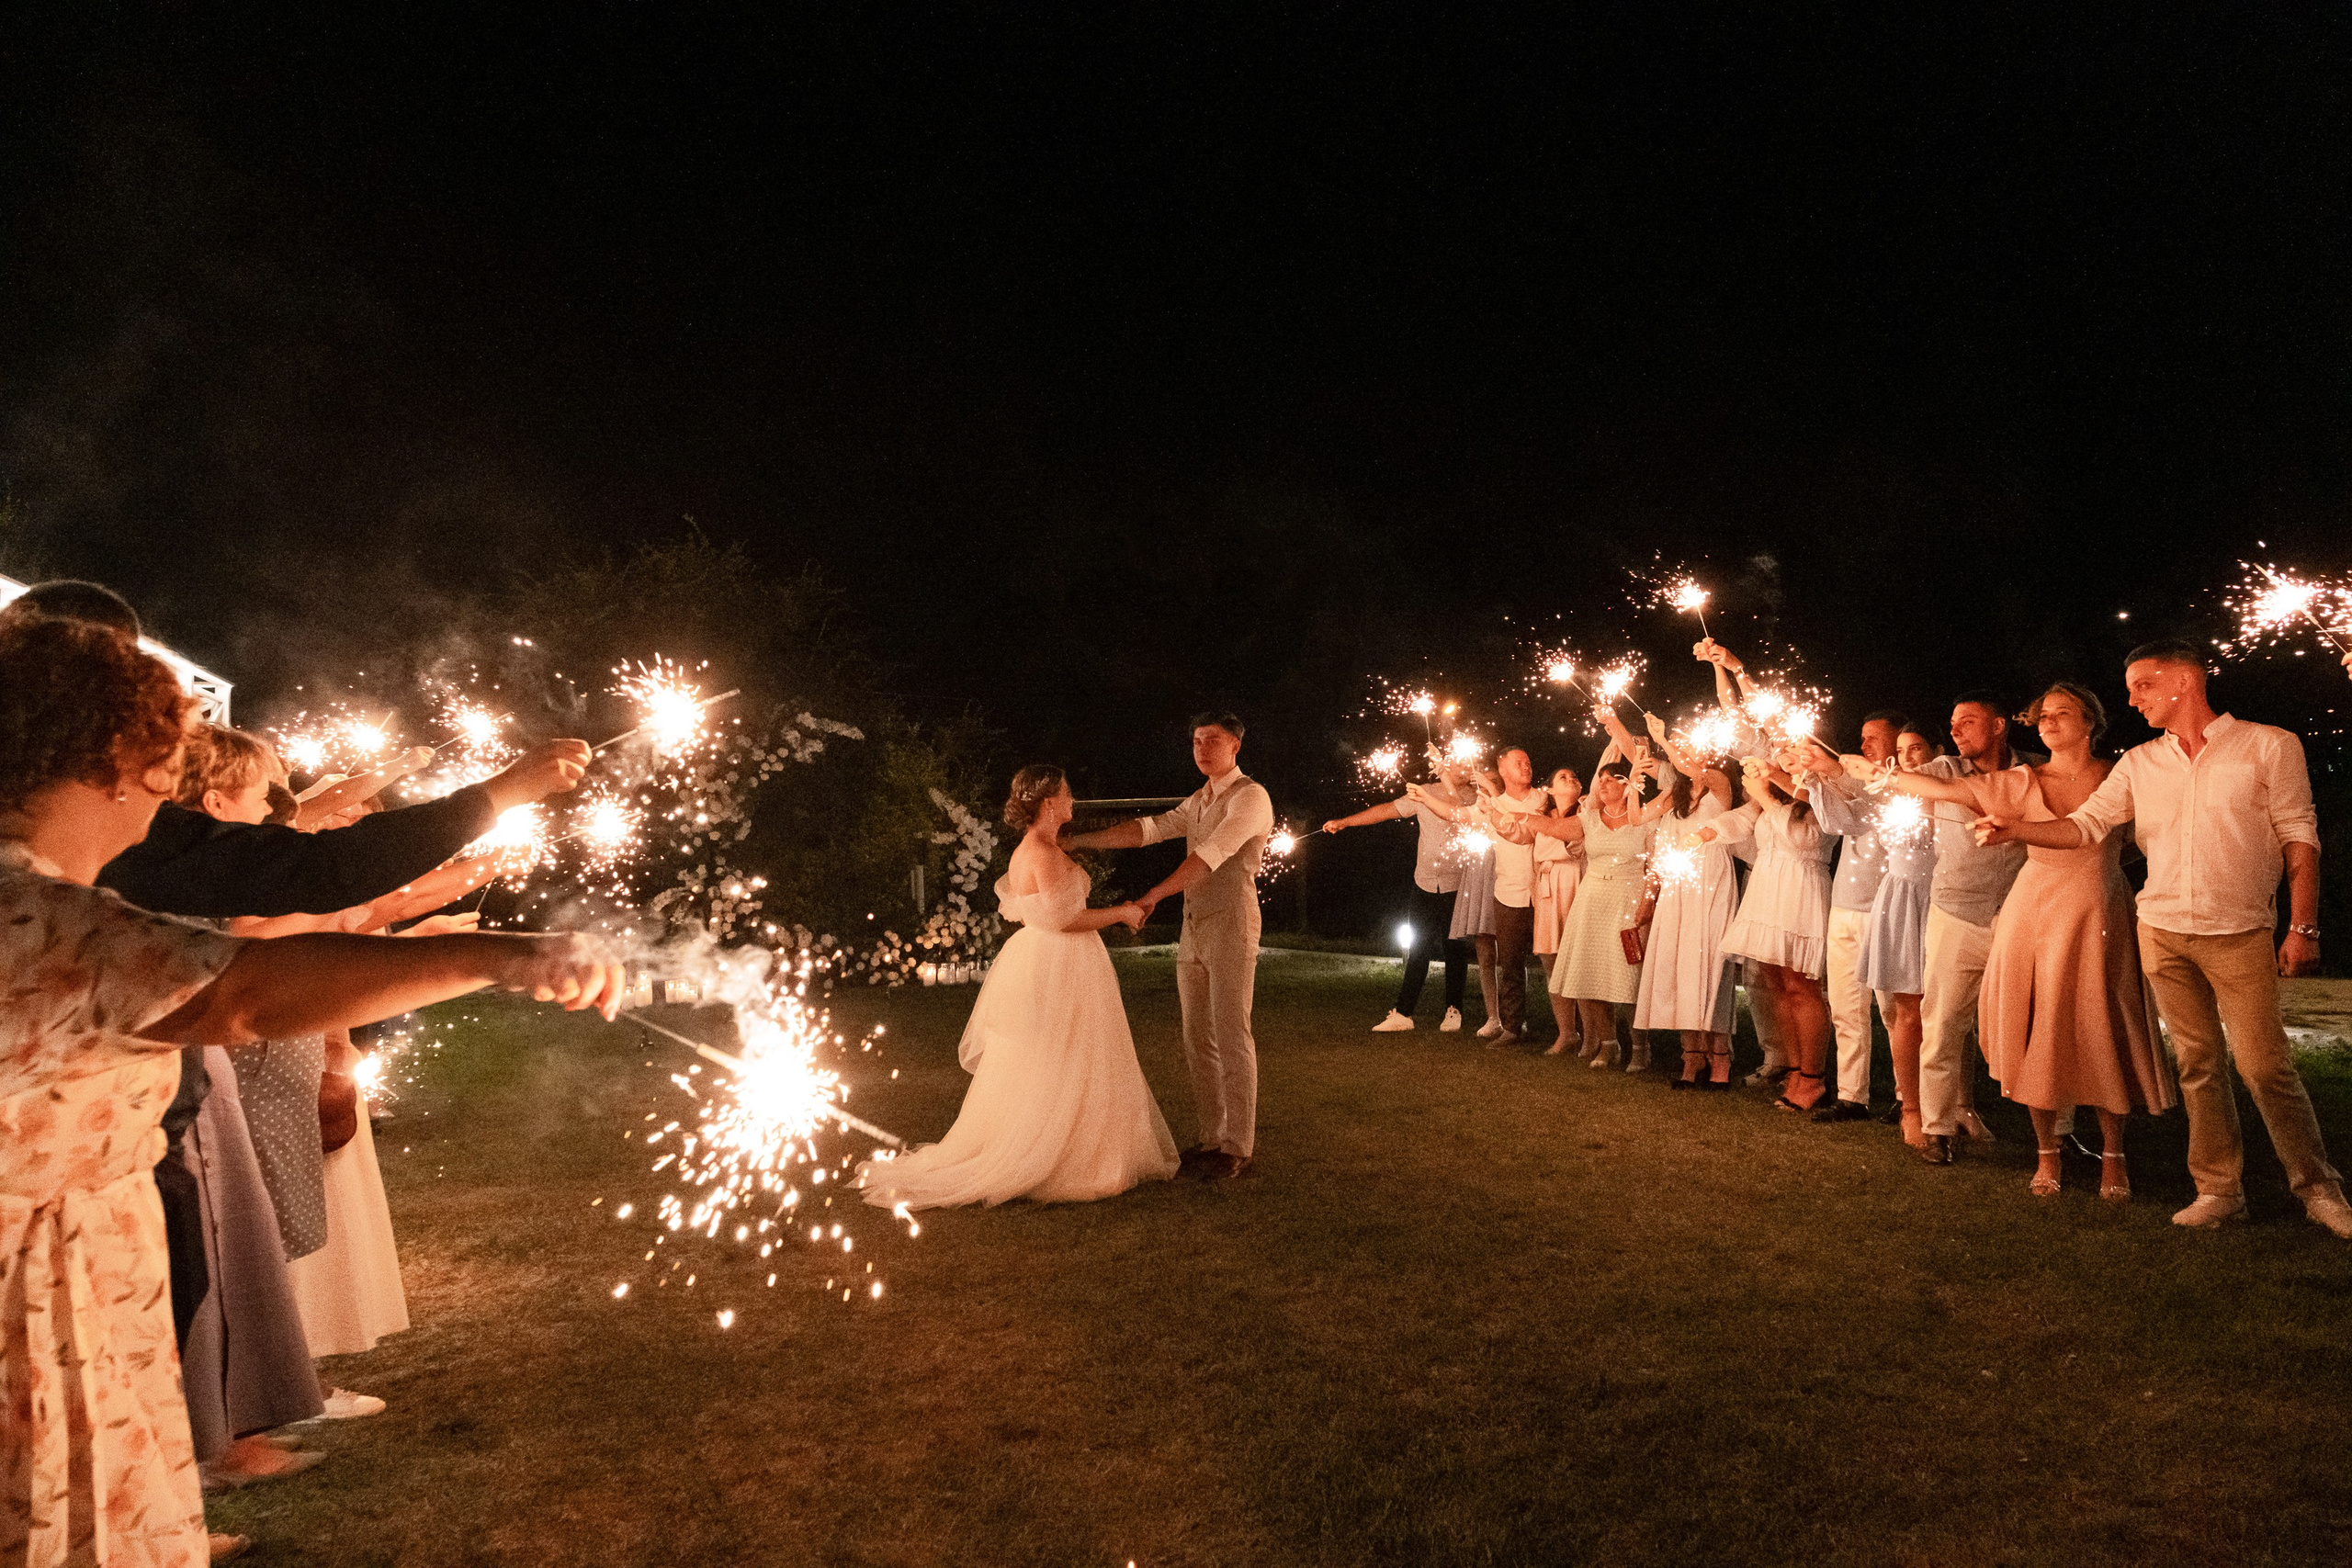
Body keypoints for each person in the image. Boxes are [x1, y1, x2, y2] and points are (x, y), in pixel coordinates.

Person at [0, 612, 621, 1568]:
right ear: (117, 759)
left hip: (84, 1284)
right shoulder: (30, 916)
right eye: (165, 758)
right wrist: (496, 955)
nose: (177, 786)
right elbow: (242, 992)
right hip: (38, 1315)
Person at [1981, 641, 2351, 1236]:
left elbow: (2299, 837)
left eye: (2143, 685)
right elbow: (2084, 826)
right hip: (2162, 931)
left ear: (2183, 680)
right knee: (2199, 1065)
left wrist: (2302, 927)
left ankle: (2318, 1188)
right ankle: (2218, 1188)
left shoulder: (2269, 744)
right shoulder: (2139, 764)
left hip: (2238, 932)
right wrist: (2015, 827)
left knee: (2263, 1066)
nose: (2131, 699)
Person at [1885, 682, 2177, 1198]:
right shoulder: (2022, 780)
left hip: (2097, 912)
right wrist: (1870, 773)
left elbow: (2145, 835)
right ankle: (2037, 1153)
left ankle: (2113, 1156)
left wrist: (2101, 871)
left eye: (2062, 714)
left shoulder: (2119, 775)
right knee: (2036, 1027)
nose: (2049, 722)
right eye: (2044, 715)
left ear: (2091, 722)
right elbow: (1947, 792)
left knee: (2102, 1023)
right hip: (2032, 909)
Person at [858, 766, 1172, 1208]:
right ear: (1047, 802)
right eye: (1066, 793)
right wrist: (1120, 912)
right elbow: (1065, 921)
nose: (1071, 800)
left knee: (1057, 1055)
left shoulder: (1038, 847)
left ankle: (1072, 1144)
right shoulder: (1040, 853)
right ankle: (1063, 1156)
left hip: (1043, 959)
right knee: (1064, 1054)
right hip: (1060, 961)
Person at [1064, 714, 1273, 1179]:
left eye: (1212, 740)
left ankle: (1238, 1146)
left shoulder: (1251, 797)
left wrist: (1152, 896)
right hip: (1194, 926)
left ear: (1235, 745)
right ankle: (1211, 1136)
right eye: (1196, 741)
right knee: (1197, 1036)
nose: (1201, 748)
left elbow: (1208, 859)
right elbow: (1148, 829)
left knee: (1232, 1034)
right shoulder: (1199, 799)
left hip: (1233, 924)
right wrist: (1079, 841)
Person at [1911, 691, 2040, 1164]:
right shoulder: (1944, 771)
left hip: (2023, 915)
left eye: (1967, 721)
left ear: (2000, 725)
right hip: (1956, 912)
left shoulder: (2038, 771)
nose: (1956, 730)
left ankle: (2055, 1130)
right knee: (1943, 1022)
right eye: (1952, 723)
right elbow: (1889, 784)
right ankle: (1937, 1128)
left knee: (2036, 1024)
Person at [1495, 746, 1659, 1069]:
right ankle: (1607, 1045)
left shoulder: (1646, 819)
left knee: (1631, 975)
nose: (1605, 784)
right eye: (1602, 780)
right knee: (1592, 972)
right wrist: (1524, 817)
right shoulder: (1590, 819)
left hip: (1629, 900)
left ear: (1630, 785)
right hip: (1593, 900)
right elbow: (1557, 829)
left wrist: (1648, 903)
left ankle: (1640, 1047)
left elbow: (1655, 866)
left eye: (1613, 779)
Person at [1703, 754, 1835, 1111]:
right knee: (1776, 984)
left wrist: (1765, 796)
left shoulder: (1820, 792)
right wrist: (1708, 831)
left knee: (1801, 987)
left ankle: (1813, 1078)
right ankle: (1794, 1069)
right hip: (1767, 889)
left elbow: (1802, 843)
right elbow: (1744, 820)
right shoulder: (1775, 797)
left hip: (1801, 888)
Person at [1794, 712, 1908, 1121]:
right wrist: (1816, 778)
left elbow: (1870, 799)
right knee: (1845, 1006)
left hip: (1886, 909)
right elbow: (1838, 820)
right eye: (1861, 738)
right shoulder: (1857, 781)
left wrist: (1834, 770)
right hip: (1845, 905)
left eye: (1874, 738)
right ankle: (1852, 1094)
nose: (1865, 745)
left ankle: (1905, 1094)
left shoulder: (1905, 785)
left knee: (1893, 1010)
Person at [1322, 753, 1475, 1034]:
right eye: (1461, 762)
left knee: (1455, 949)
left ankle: (1454, 1010)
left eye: (1470, 764)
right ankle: (1404, 1013)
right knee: (1418, 949)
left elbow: (1456, 811)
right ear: (1448, 763)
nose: (1466, 767)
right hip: (1425, 882)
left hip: (1458, 883)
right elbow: (1386, 810)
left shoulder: (1475, 798)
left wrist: (1444, 778)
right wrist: (1345, 822)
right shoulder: (1425, 793)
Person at [1624, 716, 1738, 1088]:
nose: (1685, 751)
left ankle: (1719, 1058)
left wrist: (1663, 740)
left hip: (1712, 877)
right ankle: (1691, 1059)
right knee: (1679, 965)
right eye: (1681, 743)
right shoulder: (1674, 792)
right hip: (1679, 881)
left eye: (1691, 743)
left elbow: (1692, 768)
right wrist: (1631, 786)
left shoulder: (1718, 780)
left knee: (1711, 964)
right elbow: (1637, 818)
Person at [1476, 748, 1553, 1045]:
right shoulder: (1491, 805)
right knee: (1510, 964)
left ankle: (1571, 1028)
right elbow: (1456, 815)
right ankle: (1511, 1027)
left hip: (1546, 892)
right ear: (1503, 769)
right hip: (1507, 893)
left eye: (1528, 761)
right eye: (1518, 762)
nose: (1526, 766)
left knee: (1554, 962)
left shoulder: (1546, 800)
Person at [1527, 768, 1587, 1057]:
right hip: (1548, 887)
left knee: (1580, 960)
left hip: (1576, 883)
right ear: (1549, 789)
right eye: (1563, 777)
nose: (1571, 779)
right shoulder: (1540, 818)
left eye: (1575, 776)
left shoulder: (1586, 810)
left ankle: (1594, 1035)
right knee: (1552, 961)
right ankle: (1566, 1033)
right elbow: (1532, 857)